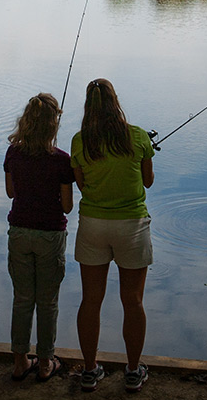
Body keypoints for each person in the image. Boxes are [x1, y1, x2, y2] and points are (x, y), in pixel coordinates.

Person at [70, 78, 155, 393]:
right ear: (115, 102)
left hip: (93, 224)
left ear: (88, 106)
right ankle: (132, 371)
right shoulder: (138, 136)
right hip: (131, 225)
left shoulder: (80, 141)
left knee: (91, 300)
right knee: (133, 301)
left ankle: (90, 370)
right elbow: (147, 181)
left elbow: (81, 184)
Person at [3, 93, 75, 382]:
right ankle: (45, 363)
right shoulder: (62, 160)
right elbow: (67, 206)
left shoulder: (13, 153)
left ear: (26, 121)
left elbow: (11, 192)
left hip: (19, 232)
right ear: (52, 125)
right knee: (47, 302)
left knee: (22, 299)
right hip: (50, 236)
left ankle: (20, 362)